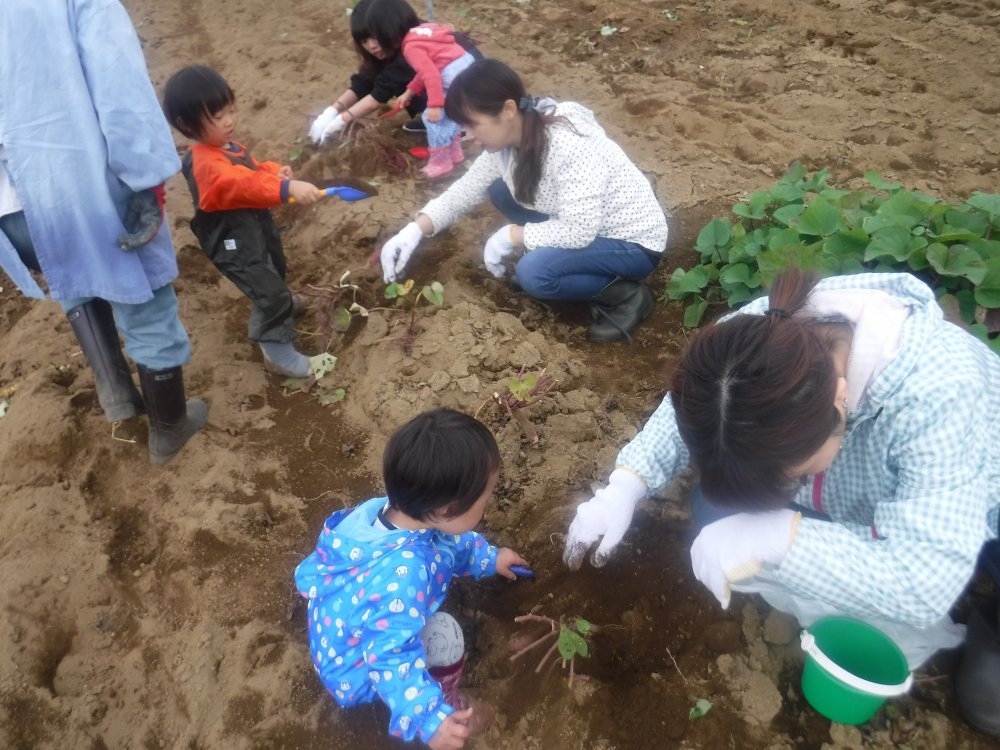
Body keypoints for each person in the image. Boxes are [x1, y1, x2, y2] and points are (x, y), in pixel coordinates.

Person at [562, 269, 1000, 697]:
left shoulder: (941, 395)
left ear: (838, 404)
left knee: (987, 705)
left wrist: (783, 538)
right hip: (853, 497)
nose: (786, 488)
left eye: (792, 473)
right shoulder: (768, 331)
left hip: (980, 504)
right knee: (717, 512)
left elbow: (923, 583)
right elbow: (701, 407)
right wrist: (627, 484)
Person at [0, 0, 206, 466]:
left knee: (72, 272)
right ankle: (170, 427)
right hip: (76, 182)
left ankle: (118, 395)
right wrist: (146, 177)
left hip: (11, 212)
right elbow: (121, 88)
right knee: (142, 296)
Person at [379, 59, 669, 342]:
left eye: (473, 125)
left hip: (631, 243)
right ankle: (565, 265)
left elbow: (579, 231)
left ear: (507, 110)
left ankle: (626, 295)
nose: (467, 136)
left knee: (535, 273)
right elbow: (465, 190)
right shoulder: (508, 144)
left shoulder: (567, 145)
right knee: (501, 191)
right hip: (589, 228)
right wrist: (415, 230)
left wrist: (514, 234)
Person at [295, 407, 529, 749]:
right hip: (358, 667)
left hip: (346, 628)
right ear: (448, 510)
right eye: (485, 497)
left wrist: (490, 558)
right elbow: (391, 656)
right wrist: (428, 718)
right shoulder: (405, 579)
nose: (488, 503)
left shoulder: (394, 509)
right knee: (446, 634)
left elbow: (450, 538)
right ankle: (446, 702)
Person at [163, 65, 325, 379]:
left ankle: (276, 303)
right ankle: (275, 348)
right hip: (230, 239)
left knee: (274, 264)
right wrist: (286, 189)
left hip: (253, 224)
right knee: (266, 285)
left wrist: (273, 172)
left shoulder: (227, 146)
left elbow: (252, 170)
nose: (230, 120)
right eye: (217, 115)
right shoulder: (204, 162)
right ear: (187, 123)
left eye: (231, 110)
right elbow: (239, 183)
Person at [308, 0, 481, 147]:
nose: (371, 45)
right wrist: (332, 111)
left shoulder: (412, 47)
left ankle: (459, 127)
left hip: (473, 98)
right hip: (452, 88)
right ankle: (440, 120)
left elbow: (378, 96)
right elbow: (363, 82)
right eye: (364, 41)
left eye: (375, 37)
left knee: (410, 88)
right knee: (410, 87)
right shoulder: (394, 44)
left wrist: (341, 120)